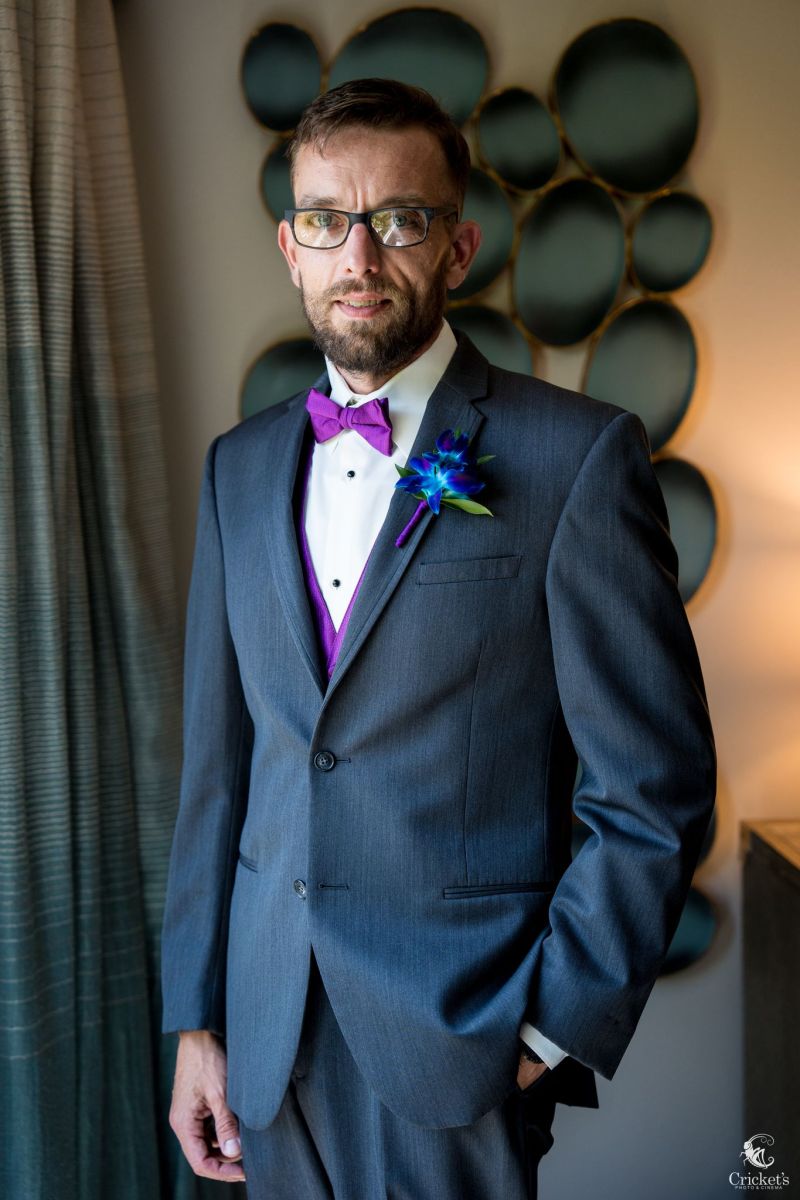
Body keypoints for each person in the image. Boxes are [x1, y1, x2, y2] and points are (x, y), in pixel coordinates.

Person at [161, 78, 716, 1199]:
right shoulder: (237, 470)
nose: (359, 256)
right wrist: (197, 1020)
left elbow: (652, 788)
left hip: (458, 1046)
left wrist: (549, 1029)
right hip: (263, 1039)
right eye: (327, 220)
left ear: (458, 246)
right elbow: (218, 776)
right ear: (290, 247)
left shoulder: (576, 459)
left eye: (399, 220)